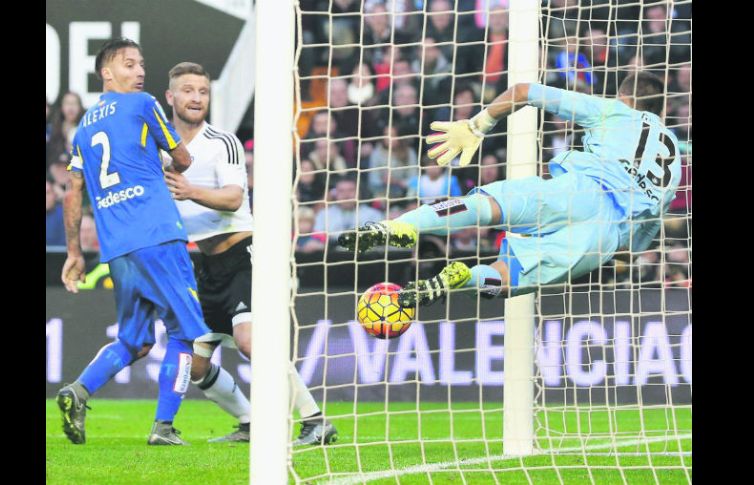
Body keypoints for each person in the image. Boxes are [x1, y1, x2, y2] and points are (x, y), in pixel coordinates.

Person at [339, 72, 680, 306]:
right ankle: (466, 279)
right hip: (602, 236)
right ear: (661, 109)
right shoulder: (676, 163)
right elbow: (636, 244)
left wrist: (477, 125)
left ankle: (403, 225)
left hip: (578, 189)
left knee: (487, 206)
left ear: (624, 95)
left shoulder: (614, 111)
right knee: (509, 279)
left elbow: (523, 92)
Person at [163, 62, 337, 445]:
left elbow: (234, 198)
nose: (196, 98)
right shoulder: (159, 150)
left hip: (242, 253)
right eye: (188, 91)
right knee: (195, 361)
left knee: (250, 341)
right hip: (204, 264)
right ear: (170, 97)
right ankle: (249, 422)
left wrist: (191, 190)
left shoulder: (222, 142)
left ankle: (315, 420)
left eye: (203, 91)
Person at [57, 38, 210, 446]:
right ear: (107, 72)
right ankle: (163, 426)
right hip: (158, 234)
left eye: (141, 64)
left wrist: (75, 252)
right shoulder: (144, 105)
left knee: (136, 340)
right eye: (129, 64)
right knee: (186, 334)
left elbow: (73, 192)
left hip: (116, 249)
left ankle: (80, 390)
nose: (139, 71)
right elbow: (182, 159)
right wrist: (162, 160)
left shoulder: (84, 127)